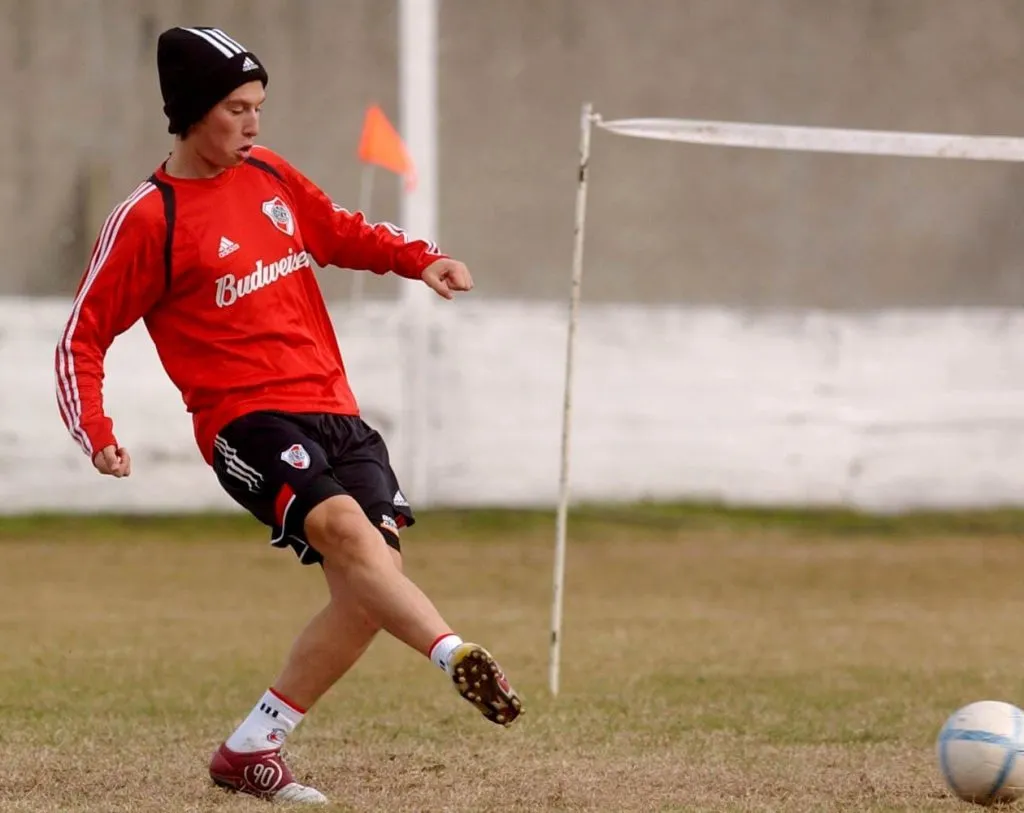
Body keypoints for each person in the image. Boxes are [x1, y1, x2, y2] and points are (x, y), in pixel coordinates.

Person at [54, 25, 522, 805]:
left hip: (337, 409)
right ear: (192, 113)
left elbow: (342, 231)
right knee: (346, 534)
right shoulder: (150, 217)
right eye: (237, 108)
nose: (254, 123)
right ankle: (452, 652)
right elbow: (82, 336)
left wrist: (421, 257)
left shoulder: (269, 175)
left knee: (371, 585)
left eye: (259, 106)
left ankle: (252, 746)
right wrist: (96, 432)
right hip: (247, 422)